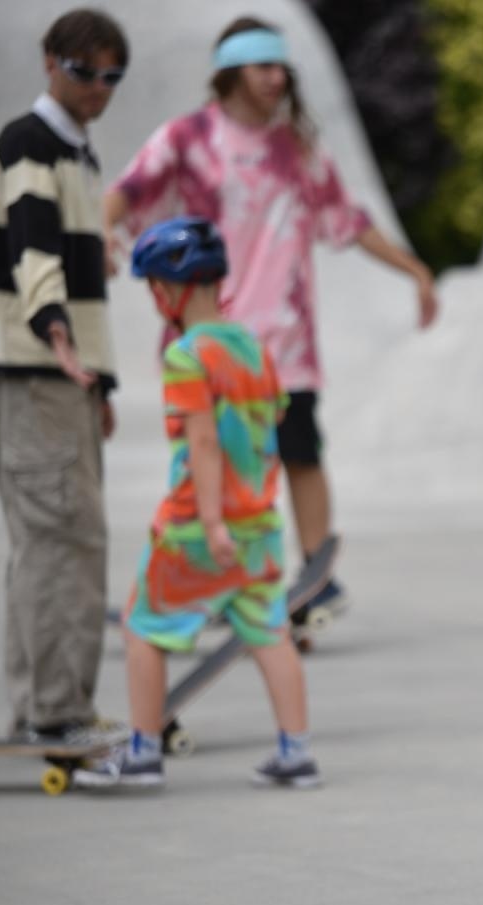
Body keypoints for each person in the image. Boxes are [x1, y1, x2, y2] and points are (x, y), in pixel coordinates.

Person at [102, 14, 438, 630]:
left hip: (285, 342)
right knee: (209, 460)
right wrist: (100, 231)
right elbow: (125, 190)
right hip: (205, 342)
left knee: (300, 452)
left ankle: (317, 575)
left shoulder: (297, 151)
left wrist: (413, 268)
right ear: (232, 72)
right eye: (264, 67)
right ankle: (214, 578)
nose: (276, 79)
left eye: (282, 68)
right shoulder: (188, 138)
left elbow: (349, 220)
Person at [75, 216, 320, 791]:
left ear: (167, 291)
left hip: (197, 525)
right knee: (270, 633)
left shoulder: (187, 355)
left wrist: (210, 521)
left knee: (141, 628)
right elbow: (272, 424)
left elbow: (203, 439)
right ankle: (296, 752)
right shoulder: (253, 349)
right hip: (259, 522)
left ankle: (141, 753)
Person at [0, 8, 129, 744]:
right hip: (35, 365)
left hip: (60, 376)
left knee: (47, 538)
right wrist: (54, 330)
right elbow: (33, 248)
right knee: (65, 537)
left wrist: (100, 383)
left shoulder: (77, 153)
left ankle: (40, 705)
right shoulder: (32, 144)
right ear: (49, 62)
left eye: (111, 76)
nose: (97, 88)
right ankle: (56, 710)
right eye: (83, 70)